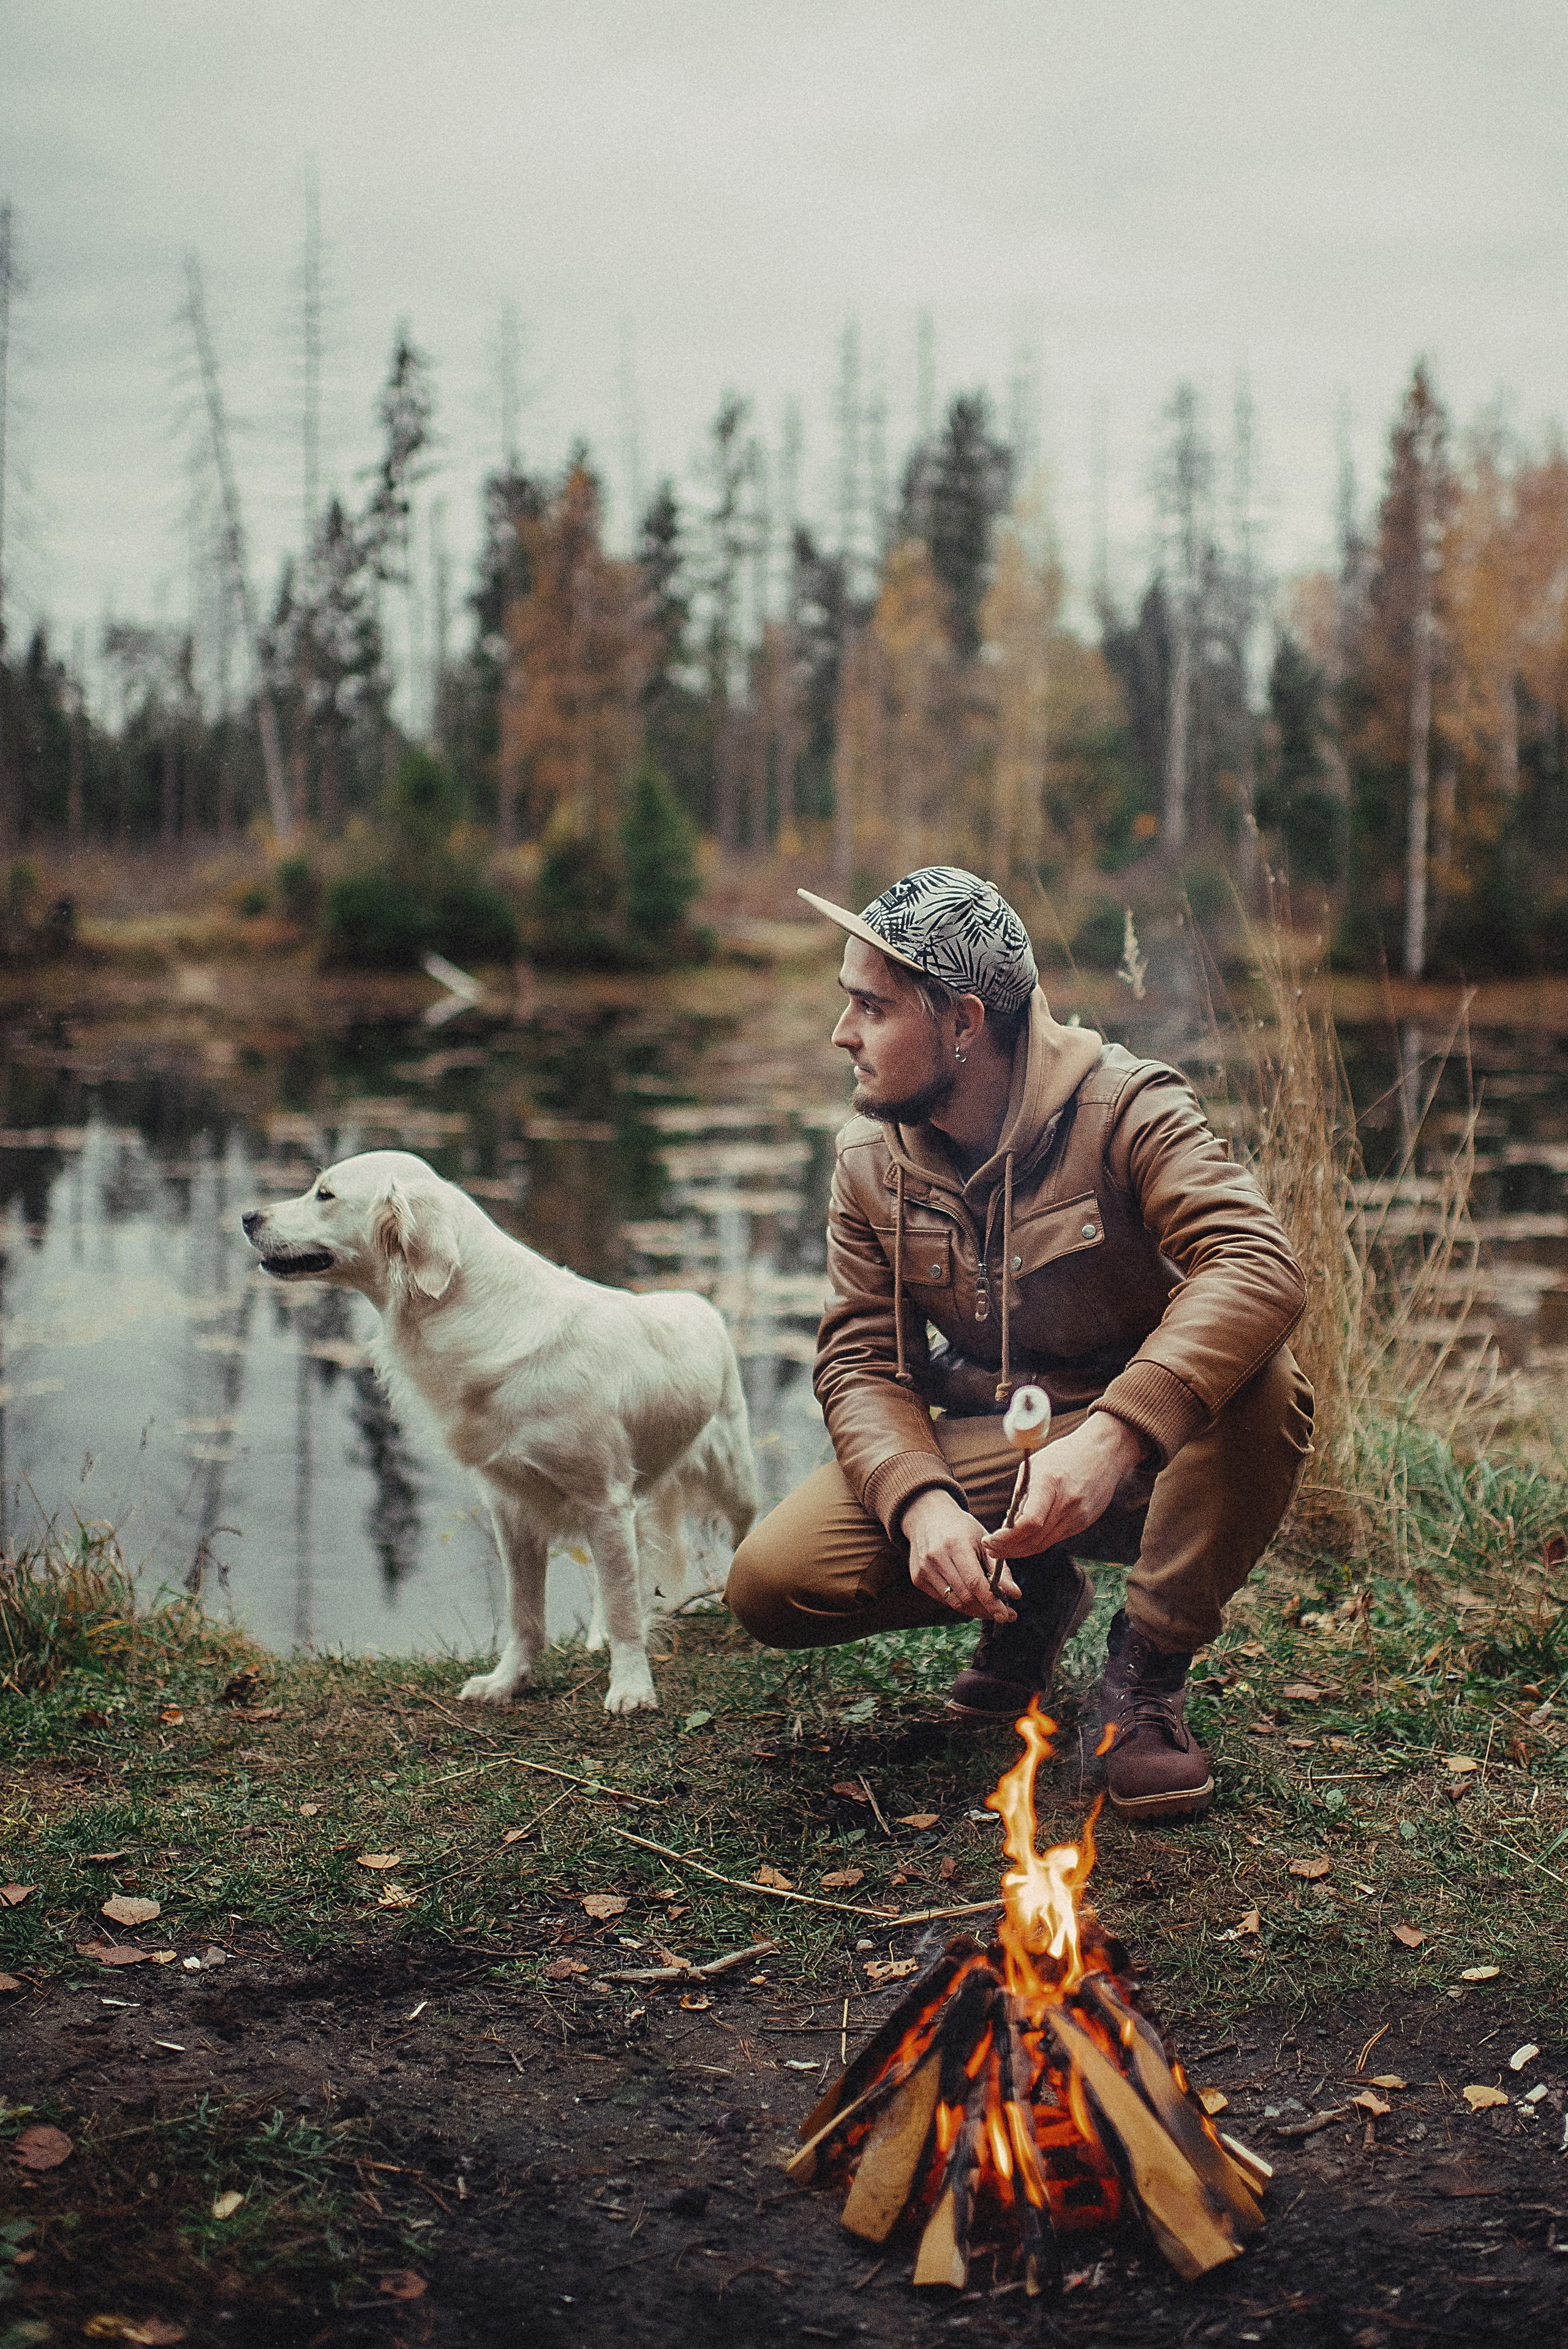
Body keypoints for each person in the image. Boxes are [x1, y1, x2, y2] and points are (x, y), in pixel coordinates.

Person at [725, 866, 1312, 1823]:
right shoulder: (869, 1162)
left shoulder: (1126, 1107)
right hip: (1005, 1455)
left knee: (1266, 1375)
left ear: (962, 1021)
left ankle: (1147, 1677)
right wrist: (921, 1508)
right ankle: (1033, 1598)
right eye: (847, 1003)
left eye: (870, 1007)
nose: (843, 1034)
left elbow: (1257, 1260)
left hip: (1145, 1463)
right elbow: (864, 1363)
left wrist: (1118, 1432)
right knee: (774, 1581)